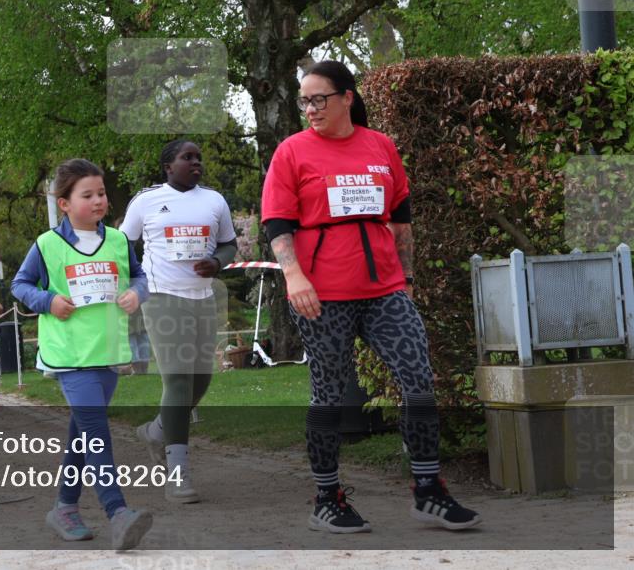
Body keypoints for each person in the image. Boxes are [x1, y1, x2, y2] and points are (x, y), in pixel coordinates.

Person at [260, 59, 481, 533]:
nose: (311, 109)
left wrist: (408, 280)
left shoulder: (380, 146)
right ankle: (327, 498)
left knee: (419, 379)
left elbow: (401, 220)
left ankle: (428, 491)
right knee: (330, 394)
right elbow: (277, 223)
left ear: (347, 97)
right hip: (322, 295)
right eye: (305, 101)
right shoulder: (292, 152)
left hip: (384, 291)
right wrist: (294, 276)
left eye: (319, 99)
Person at [12, 158, 153, 551]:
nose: (98, 201)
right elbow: (19, 285)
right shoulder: (47, 244)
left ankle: (65, 507)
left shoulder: (120, 241)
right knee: (95, 434)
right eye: (87, 195)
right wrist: (48, 300)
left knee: (82, 432)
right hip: (70, 355)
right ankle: (117, 512)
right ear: (64, 204)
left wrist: (136, 293)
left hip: (108, 352)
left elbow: (140, 278)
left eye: (102, 193)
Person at [120, 139, 238, 504]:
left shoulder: (214, 200)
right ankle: (178, 473)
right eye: (188, 157)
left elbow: (229, 244)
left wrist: (217, 263)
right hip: (162, 297)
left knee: (200, 382)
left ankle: (157, 430)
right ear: (168, 166)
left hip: (203, 298)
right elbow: (124, 243)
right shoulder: (146, 201)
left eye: (198, 157)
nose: (196, 162)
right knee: (177, 379)